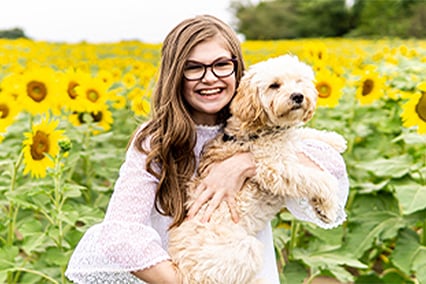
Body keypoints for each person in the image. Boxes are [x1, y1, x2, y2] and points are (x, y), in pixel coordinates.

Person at [65, 14, 349, 283]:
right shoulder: (156, 139)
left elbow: (331, 166)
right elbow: (120, 233)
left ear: (238, 69)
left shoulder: (262, 124)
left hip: (248, 267)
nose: (210, 78)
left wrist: (242, 164)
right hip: (181, 271)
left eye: (221, 64)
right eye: (194, 67)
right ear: (175, 74)